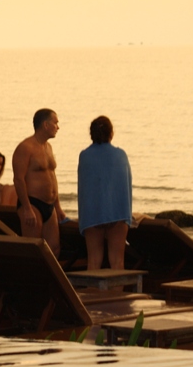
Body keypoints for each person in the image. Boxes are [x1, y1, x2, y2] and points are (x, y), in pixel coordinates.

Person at [77, 116, 132, 270]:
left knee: (93, 261)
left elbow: (84, 188)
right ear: (111, 133)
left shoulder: (85, 156)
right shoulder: (120, 155)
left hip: (92, 214)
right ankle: (115, 294)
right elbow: (126, 186)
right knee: (117, 261)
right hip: (117, 212)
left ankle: (93, 294)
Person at [12, 108, 65, 256]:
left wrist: (58, 206)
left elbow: (52, 176)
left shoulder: (48, 147)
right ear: (45, 125)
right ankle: (29, 279)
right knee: (33, 249)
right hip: (32, 203)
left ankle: (49, 279)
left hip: (49, 205)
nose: (58, 127)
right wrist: (27, 208)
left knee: (54, 248)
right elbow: (18, 179)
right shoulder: (25, 147)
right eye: (56, 123)